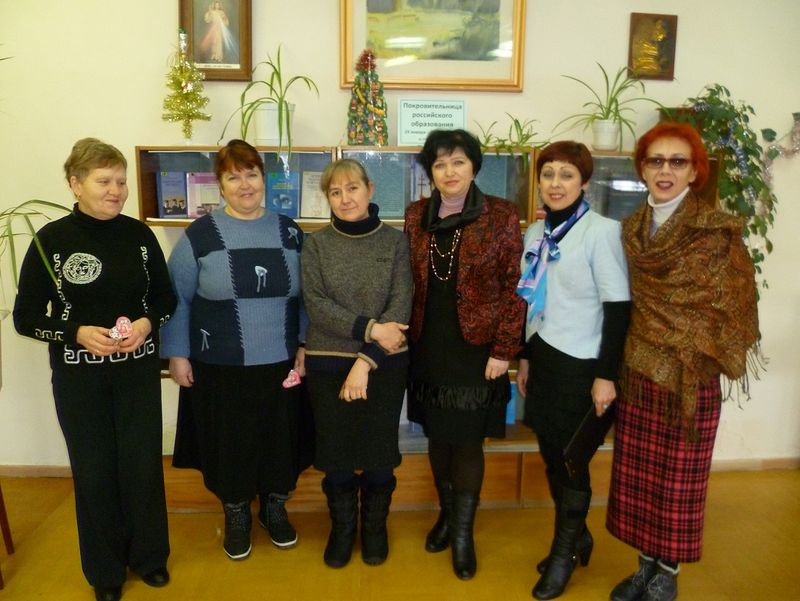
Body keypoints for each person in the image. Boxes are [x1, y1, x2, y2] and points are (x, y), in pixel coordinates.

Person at [13, 138, 175, 601]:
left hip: (136, 375)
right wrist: (75, 333)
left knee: (142, 467)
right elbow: (26, 318)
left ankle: (149, 558)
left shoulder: (139, 236)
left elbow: (165, 298)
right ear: (75, 184)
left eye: (121, 181)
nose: (116, 190)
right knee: (95, 472)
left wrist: (147, 323)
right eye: (104, 181)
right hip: (79, 379)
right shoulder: (51, 241)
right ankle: (105, 573)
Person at [606, 122, 760, 601]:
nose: (665, 170)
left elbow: (735, 302)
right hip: (640, 368)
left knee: (678, 483)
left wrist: (691, 342)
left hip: (690, 377)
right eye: (656, 160)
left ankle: (666, 572)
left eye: (678, 161)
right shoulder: (631, 229)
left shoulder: (717, 232)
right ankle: (643, 567)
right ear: (642, 169)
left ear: (695, 172)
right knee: (638, 476)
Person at [160, 139, 306, 561]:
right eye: (233, 177)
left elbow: (307, 298)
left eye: (252, 174)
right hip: (219, 363)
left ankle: (275, 508)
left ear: (264, 178)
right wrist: (177, 354)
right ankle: (237, 512)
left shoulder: (290, 231)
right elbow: (177, 299)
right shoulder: (200, 235)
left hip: (281, 363)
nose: (245, 185)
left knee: (279, 442)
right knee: (230, 444)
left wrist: (304, 345)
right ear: (220, 185)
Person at [405, 128, 525, 580]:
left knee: (467, 439)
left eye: (458, 162)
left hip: (477, 349)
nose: (449, 171)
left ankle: (462, 534)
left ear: (474, 166)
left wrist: (504, 350)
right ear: (430, 172)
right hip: (428, 344)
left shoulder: (501, 215)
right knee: (438, 435)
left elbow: (515, 288)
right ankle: (446, 514)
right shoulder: (416, 215)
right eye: (439, 164)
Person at [515, 141, 630, 599]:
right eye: (548, 174)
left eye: (566, 175)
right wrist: (525, 357)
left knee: (571, 459)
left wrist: (607, 376)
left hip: (584, 366)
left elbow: (618, 309)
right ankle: (577, 537)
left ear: (584, 181)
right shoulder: (535, 232)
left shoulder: (602, 232)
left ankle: (563, 555)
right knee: (550, 455)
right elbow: (530, 301)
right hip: (544, 358)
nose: (555, 183)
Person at [301, 159, 412, 568]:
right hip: (327, 363)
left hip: (385, 364)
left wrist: (366, 360)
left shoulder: (396, 242)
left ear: (370, 190)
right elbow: (317, 305)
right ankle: (343, 529)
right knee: (337, 455)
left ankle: (375, 528)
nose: (345, 198)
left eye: (352, 188)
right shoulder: (315, 245)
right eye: (335, 192)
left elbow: (401, 305)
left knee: (380, 453)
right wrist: (370, 329)